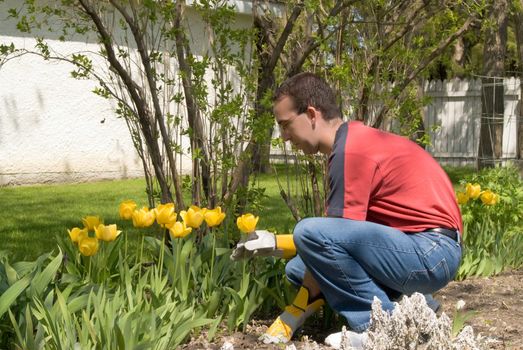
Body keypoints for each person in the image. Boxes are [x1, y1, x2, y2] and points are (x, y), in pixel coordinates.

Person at [231, 72, 462, 349]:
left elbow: (325, 238)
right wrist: (277, 245)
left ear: (312, 114)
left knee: (309, 232)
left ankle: (377, 327)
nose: (284, 137)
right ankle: (417, 307)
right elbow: (336, 246)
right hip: (424, 249)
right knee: (298, 268)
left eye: (286, 125)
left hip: (430, 252)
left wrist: (292, 312)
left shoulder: (350, 152)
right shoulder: (353, 140)